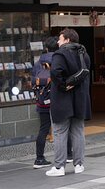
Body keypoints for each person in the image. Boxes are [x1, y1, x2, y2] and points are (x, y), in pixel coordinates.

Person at [46, 28, 91, 177]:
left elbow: (55, 72)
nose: (58, 42)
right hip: (80, 99)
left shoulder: (60, 54)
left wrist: (64, 85)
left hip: (62, 100)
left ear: (67, 40)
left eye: (60, 39)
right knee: (78, 132)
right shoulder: (84, 53)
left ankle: (59, 167)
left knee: (59, 132)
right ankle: (79, 165)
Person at [32, 36, 61, 169]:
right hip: (58, 99)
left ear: (46, 48)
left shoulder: (38, 62)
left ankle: (39, 158)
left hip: (42, 100)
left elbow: (33, 81)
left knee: (43, 128)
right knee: (62, 128)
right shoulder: (59, 59)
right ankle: (66, 156)